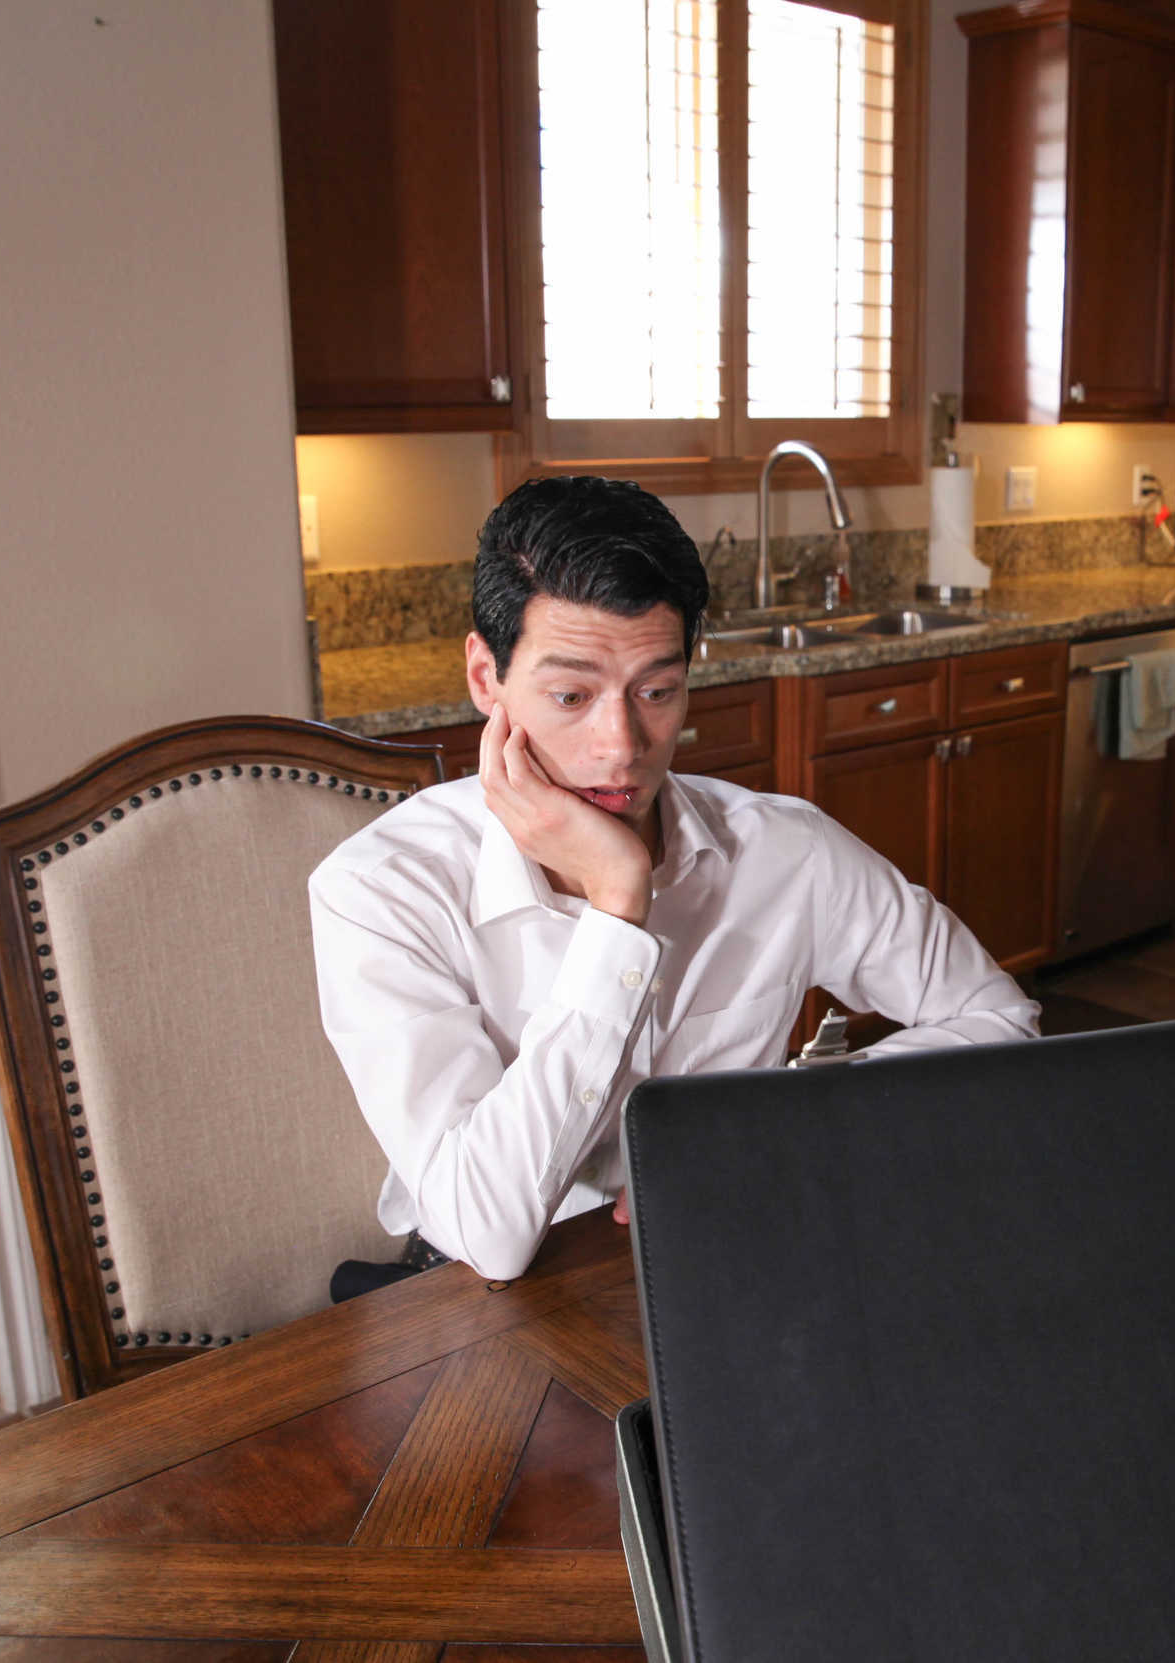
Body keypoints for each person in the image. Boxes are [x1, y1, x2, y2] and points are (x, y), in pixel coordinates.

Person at [309, 475, 1039, 1286]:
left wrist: (774, 1125)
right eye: (570, 695)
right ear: (486, 677)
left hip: (728, 1246)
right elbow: (488, 1234)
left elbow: (999, 1021)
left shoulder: (783, 849)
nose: (621, 745)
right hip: (481, 1295)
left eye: (656, 691)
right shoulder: (381, 889)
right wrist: (618, 904)